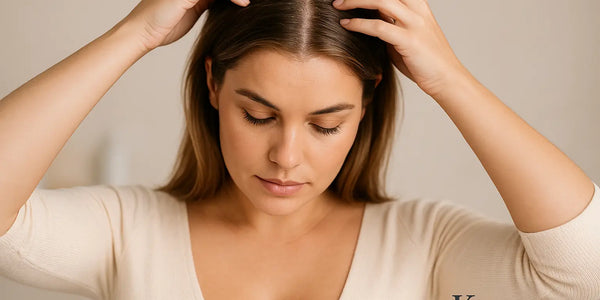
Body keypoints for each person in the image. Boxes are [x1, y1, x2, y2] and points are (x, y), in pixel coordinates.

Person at [0, 0, 598, 299]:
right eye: (258, 115)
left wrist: (449, 78)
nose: (286, 155)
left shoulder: (427, 244)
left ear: (365, 107)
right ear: (213, 84)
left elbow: (582, 267)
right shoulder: (127, 230)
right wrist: (136, 33)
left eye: (325, 125)